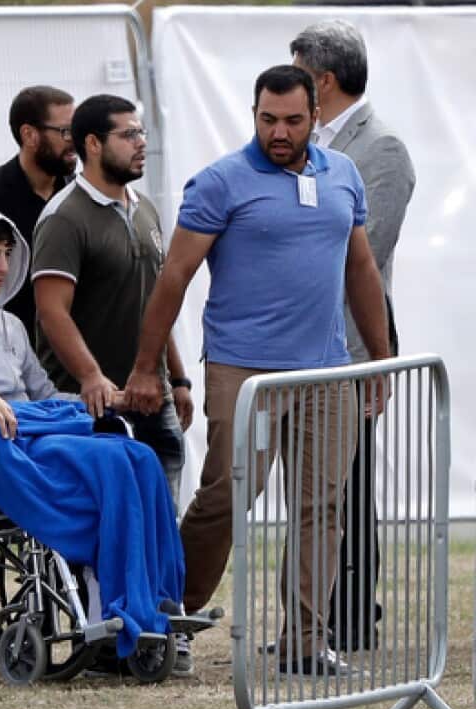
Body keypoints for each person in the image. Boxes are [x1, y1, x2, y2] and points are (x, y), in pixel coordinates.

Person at [125, 65, 391, 677]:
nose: (279, 131)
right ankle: (175, 620)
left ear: (315, 115)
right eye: (267, 119)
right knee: (227, 493)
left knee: (322, 506)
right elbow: (174, 277)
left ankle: (305, 641)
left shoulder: (342, 176)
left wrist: (378, 360)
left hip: (326, 373)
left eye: (293, 120)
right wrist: (147, 368)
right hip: (241, 371)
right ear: (254, 114)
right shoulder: (221, 181)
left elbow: (361, 271)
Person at [0, 205, 181, 660]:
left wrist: (105, 397)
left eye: (7, 254)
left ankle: (152, 592)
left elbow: (43, 396)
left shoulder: (10, 326)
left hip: (29, 431)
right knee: (105, 461)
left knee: (138, 455)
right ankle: (104, 591)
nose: (3, 267)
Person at [291, 19, 415, 651]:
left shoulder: (382, 148)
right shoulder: (311, 145)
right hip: (299, 346)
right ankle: (312, 618)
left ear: (323, 81)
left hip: (349, 347)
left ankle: (351, 614)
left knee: (349, 482)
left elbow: (365, 255)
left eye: (298, 78)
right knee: (313, 488)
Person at [32, 94, 192, 504]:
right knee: (106, 528)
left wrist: (178, 379)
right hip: (90, 407)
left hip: (154, 399)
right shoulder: (64, 218)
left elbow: (157, 304)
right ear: (92, 144)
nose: (141, 142)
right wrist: (90, 376)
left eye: (141, 132)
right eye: (128, 134)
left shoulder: (146, 211)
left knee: (161, 526)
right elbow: (52, 312)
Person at [0, 85, 76, 332]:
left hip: (75, 351)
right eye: (65, 131)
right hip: (3, 350)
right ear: (29, 135)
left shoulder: (80, 197)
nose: (75, 141)